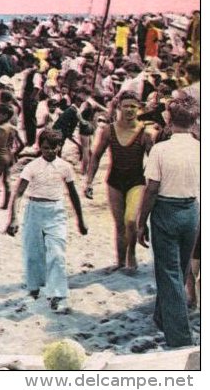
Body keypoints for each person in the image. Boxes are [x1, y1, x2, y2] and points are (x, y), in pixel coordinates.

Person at [136, 97, 200, 348]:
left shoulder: (161, 149)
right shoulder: (200, 148)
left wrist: (142, 222)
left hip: (166, 209)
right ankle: (163, 316)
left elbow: (151, 189)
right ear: (194, 121)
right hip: (191, 210)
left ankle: (180, 337)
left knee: (169, 272)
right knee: (181, 269)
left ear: (169, 120)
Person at [4, 129, 88, 314]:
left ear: (59, 147)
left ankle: (58, 294)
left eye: (52, 148)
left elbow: (73, 194)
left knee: (57, 254)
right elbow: (18, 193)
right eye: (44, 148)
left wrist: (81, 220)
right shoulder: (32, 167)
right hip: (34, 210)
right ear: (40, 147)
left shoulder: (65, 167)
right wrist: (14, 218)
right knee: (33, 253)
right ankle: (34, 290)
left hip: (56, 211)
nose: (48, 151)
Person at [85, 91, 155, 273]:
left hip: (136, 181)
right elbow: (96, 156)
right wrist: (89, 182)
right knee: (119, 224)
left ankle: (131, 255)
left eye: (133, 106)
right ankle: (120, 261)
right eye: (126, 106)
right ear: (119, 107)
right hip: (114, 181)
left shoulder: (144, 133)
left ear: (139, 108)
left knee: (131, 220)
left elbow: (155, 162)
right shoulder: (109, 130)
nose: (130, 110)